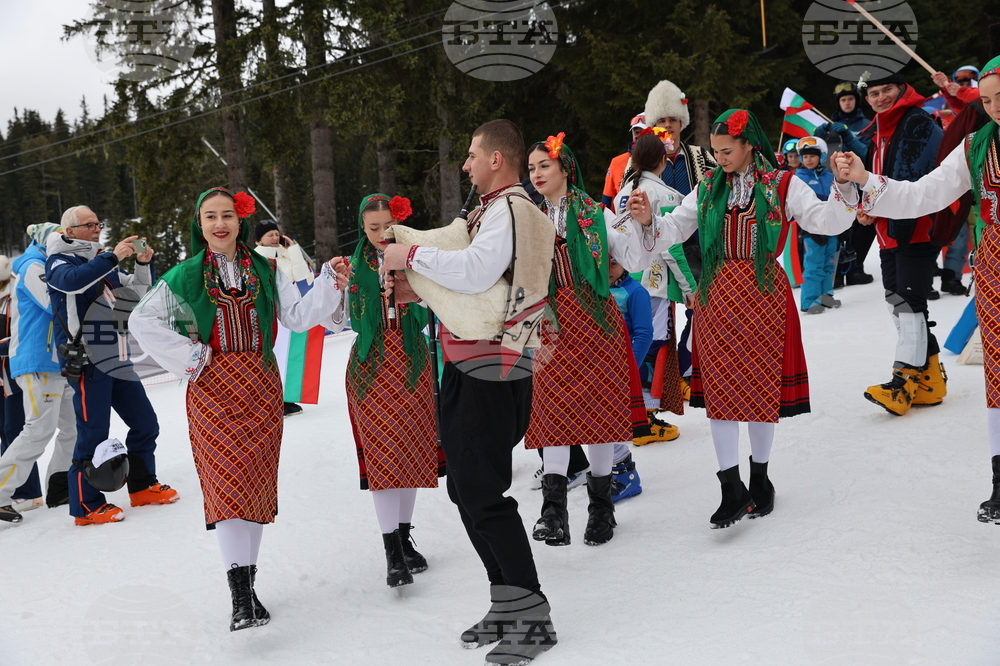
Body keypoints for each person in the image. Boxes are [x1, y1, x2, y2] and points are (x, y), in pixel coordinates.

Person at [628, 109, 858, 528]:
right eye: (715, 151)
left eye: (727, 151)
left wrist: (843, 187)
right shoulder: (708, 186)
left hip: (764, 294)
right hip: (717, 296)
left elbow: (825, 221)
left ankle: (760, 478)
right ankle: (730, 488)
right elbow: (674, 229)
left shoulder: (782, 184)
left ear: (749, 144)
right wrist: (648, 221)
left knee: (758, 388)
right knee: (721, 392)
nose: (720, 159)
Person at [381, 119, 557, 665]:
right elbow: (478, 282)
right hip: (471, 361)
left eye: (472, 155)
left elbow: (478, 272)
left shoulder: (509, 209)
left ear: (496, 160)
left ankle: (533, 619)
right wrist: (420, 286)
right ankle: (507, 603)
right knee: (465, 489)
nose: (465, 164)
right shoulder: (490, 210)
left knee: (483, 494)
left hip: (491, 364)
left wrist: (411, 258)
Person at [129, 187, 345, 631]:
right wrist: (194, 356)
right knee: (226, 486)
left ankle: (249, 586)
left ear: (240, 220)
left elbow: (297, 317)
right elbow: (142, 320)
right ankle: (240, 599)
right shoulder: (186, 274)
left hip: (261, 387)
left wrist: (326, 282)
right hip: (212, 388)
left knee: (255, 486)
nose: (219, 223)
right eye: (210, 216)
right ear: (199, 223)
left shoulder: (266, 269)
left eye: (227, 214)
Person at [834, 56, 1000, 524]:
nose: (993, 109)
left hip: (929, 243)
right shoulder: (975, 145)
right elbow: (922, 193)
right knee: (998, 374)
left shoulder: (917, 124)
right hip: (994, 266)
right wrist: (864, 180)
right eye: (987, 101)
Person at [524, 133, 650, 548]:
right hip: (551, 327)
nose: (536, 173)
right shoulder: (529, 220)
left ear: (565, 168)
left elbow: (634, 260)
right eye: (531, 168)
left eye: (544, 165)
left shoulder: (597, 213)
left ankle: (601, 509)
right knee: (553, 417)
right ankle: (553, 513)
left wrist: (639, 223)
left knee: (598, 418)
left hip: (596, 324)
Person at [44, 206, 178, 527]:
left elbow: (138, 295)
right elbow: (72, 283)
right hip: (88, 361)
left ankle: (142, 486)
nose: (97, 229)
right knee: (92, 434)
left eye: (98, 223)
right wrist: (111, 257)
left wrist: (142, 265)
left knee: (145, 423)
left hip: (117, 358)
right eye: (89, 224)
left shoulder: (101, 261)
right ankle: (85, 506)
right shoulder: (59, 261)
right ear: (70, 231)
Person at [344, 193, 442, 589]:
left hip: (413, 360)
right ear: (362, 228)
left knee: (411, 451)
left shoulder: (417, 257)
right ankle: (392, 554)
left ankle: (403, 538)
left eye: (389, 226)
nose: (382, 234)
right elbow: (337, 318)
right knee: (385, 455)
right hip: (371, 364)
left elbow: (438, 303)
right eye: (373, 228)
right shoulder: (351, 267)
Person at [854, 73, 946, 416]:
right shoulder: (880, 128)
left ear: (902, 89)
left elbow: (912, 181)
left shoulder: (916, 122)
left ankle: (903, 383)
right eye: (873, 93)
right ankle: (930, 380)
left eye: (887, 90)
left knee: (908, 305)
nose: (880, 98)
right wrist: (868, 207)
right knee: (900, 303)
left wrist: (875, 206)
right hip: (890, 231)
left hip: (915, 228)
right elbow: (879, 180)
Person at [610, 130, 688, 443]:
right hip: (654, 282)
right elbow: (670, 247)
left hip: (623, 281)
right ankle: (644, 418)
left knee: (629, 341)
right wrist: (688, 286)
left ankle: (629, 412)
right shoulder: (665, 195)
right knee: (652, 346)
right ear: (663, 161)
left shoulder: (622, 192)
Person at [0, 224, 77, 523]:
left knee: (73, 428)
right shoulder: (33, 266)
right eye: (62, 239)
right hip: (37, 359)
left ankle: (59, 488)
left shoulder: (49, 264)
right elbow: (53, 302)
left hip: (57, 360)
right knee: (38, 429)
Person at [254, 219, 315, 418]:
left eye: (276, 233)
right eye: (269, 234)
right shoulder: (256, 258)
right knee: (277, 358)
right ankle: (273, 399)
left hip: (291, 312)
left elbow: (303, 277)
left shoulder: (284, 255)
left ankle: (287, 397)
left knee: (291, 358)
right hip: (272, 315)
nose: (274, 237)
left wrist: (294, 251)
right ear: (259, 240)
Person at [608, 257, 652, 501]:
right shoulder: (594, 288)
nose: (608, 270)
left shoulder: (635, 292)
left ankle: (626, 477)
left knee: (608, 421)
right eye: (602, 263)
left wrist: (629, 369)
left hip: (620, 369)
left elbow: (643, 334)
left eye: (613, 263)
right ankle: (604, 471)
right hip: (597, 367)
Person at [795, 136, 841, 314]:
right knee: (813, 264)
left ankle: (826, 296)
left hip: (831, 228)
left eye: (812, 156)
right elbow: (797, 206)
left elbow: (839, 200)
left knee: (829, 262)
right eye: (805, 156)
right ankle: (810, 301)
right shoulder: (798, 179)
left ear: (821, 157)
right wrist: (808, 227)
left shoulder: (830, 177)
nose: (808, 160)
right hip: (811, 230)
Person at [601, 113, 647, 208]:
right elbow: (607, 199)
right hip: (621, 215)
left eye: (643, 132)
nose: (638, 136)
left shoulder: (659, 161)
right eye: (636, 132)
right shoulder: (617, 161)